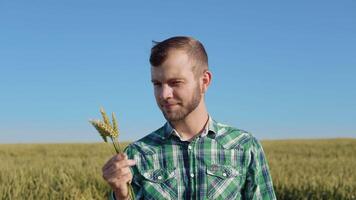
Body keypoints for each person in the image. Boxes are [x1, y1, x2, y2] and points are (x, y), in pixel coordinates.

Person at [102, 36, 276, 200]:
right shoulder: (136, 155)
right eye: (157, 84)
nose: (164, 94)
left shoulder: (244, 146)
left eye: (175, 83)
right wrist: (121, 195)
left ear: (204, 81)